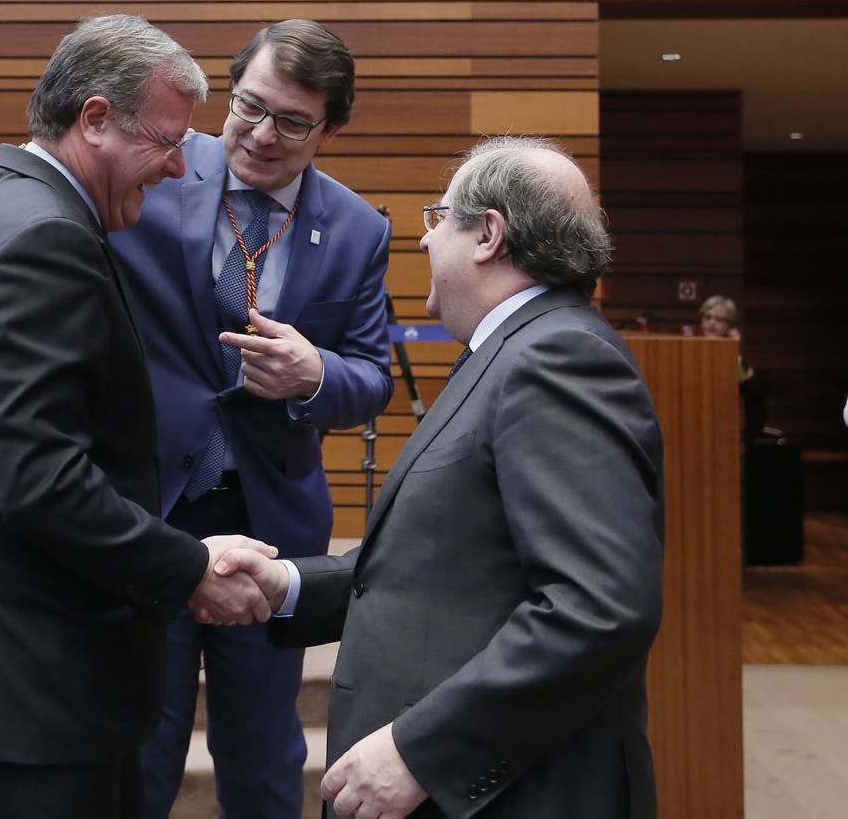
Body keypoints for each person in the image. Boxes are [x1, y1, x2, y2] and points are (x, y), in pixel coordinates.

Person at [0, 19, 394, 819]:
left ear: (331, 130)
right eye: (249, 106)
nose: (261, 134)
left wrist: (315, 376)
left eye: (292, 121)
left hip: (269, 515)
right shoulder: (160, 160)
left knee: (263, 750)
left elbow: (370, 376)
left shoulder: (357, 228)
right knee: (141, 736)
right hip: (138, 508)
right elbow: (56, 165)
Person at [0, 14, 278, 819]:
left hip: (7, 674)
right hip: (29, 687)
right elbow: (42, 481)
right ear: (93, 119)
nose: (177, 167)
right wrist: (187, 569)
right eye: (167, 141)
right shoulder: (45, 242)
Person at [219, 136, 666, 818]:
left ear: (487, 234)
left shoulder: (558, 358)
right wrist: (287, 585)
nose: (423, 242)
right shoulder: (514, 350)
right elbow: (443, 566)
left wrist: (420, 750)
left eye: (438, 217)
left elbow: (596, 608)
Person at [699, 294, 766, 440]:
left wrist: (734, 353)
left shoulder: (736, 359)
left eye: (718, 319)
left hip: (727, 429)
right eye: (707, 317)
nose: (711, 323)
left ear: (729, 326)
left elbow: (753, 390)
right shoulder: (691, 351)